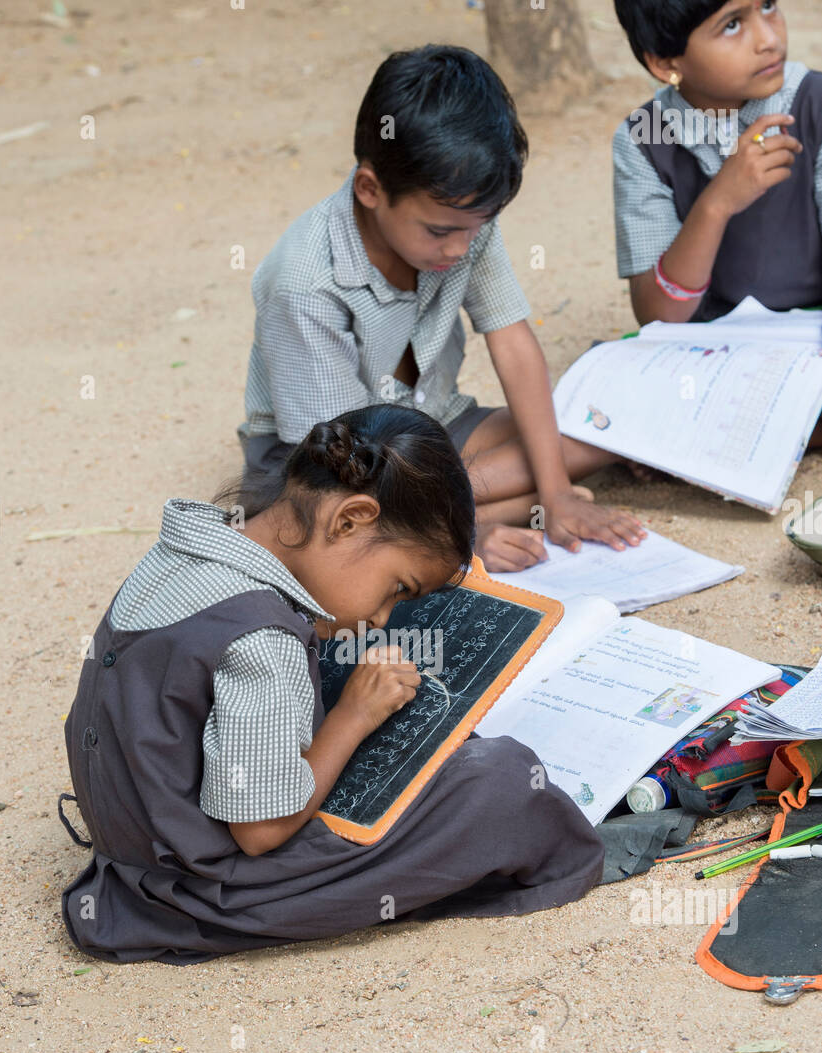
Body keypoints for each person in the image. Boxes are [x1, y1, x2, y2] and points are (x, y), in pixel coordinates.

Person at [59, 405, 605, 965]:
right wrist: (353, 717)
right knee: (502, 781)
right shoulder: (263, 642)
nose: (386, 617)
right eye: (397, 587)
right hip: (207, 894)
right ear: (348, 521)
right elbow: (261, 829)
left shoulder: (188, 550)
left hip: (133, 855)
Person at [238, 44, 645, 573]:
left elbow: (513, 343)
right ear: (370, 188)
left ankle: (495, 505)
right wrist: (464, 537)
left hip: (427, 425)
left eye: (474, 229)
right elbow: (340, 465)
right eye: (440, 232)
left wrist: (559, 493)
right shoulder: (304, 283)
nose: (458, 249)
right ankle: (457, 518)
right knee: (328, 530)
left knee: (602, 427)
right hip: (321, 462)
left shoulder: (461, 214)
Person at [612, 0, 822, 326]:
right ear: (666, 64)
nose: (769, 39)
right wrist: (717, 203)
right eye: (732, 25)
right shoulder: (643, 138)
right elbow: (659, 316)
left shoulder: (815, 107)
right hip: (711, 348)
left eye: (767, 6)